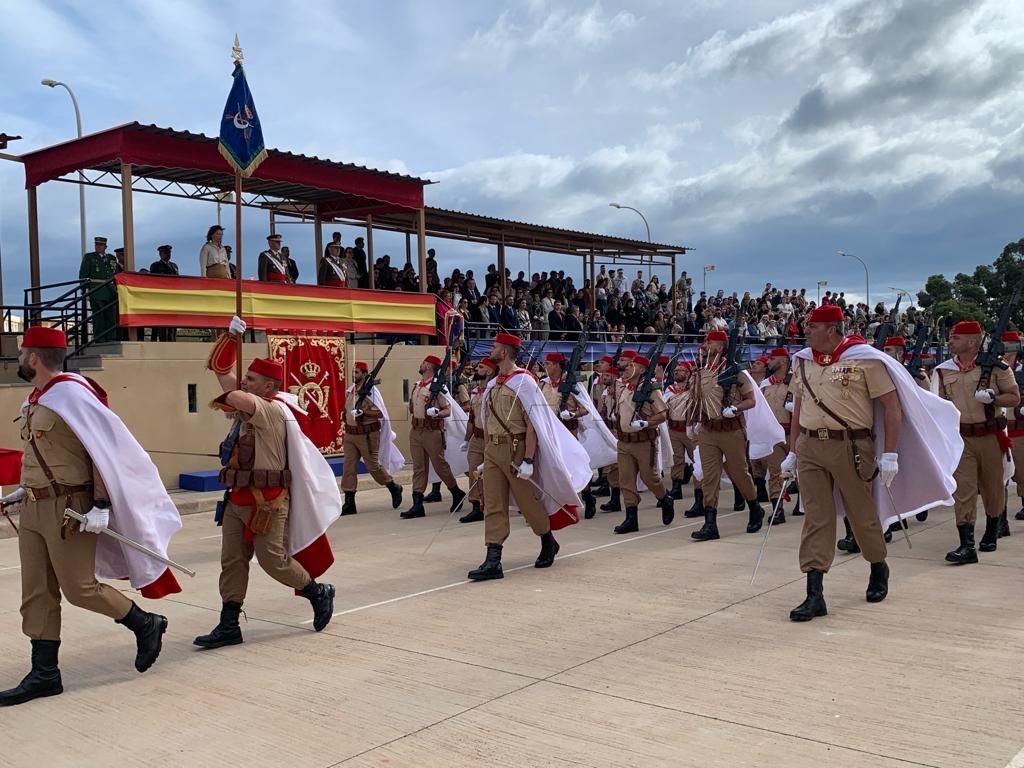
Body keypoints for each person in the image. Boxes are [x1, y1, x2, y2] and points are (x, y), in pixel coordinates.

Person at [0, 327, 181, 705]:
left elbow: (102, 452)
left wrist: (101, 505)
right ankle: (44, 674)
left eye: (22, 354)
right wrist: (23, 490)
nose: (19, 360)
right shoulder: (38, 399)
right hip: (35, 507)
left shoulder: (71, 394)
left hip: (70, 509)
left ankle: (145, 623)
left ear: (33, 358)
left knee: (79, 588)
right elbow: (45, 454)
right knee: (36, 591)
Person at [785, 303, 961, 621]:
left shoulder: (865, 359)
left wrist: (890, 454)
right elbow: (799, 406)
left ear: (831, 329)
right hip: (810, 445)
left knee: (862, 513)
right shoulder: (803, 362)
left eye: (812, 327)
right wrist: (793, 451)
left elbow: (891, 408)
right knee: (816, 517)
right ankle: (814, 593)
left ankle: (878, 565)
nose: (806, 332)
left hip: (851, 445)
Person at [196, 316, 339, 647]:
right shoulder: (251, 406)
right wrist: (231, 339)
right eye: (245, 377)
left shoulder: (272, 410)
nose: (244, 382)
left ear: (269, 388)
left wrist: (235, 382)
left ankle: (317, 591)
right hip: (238, 496)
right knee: (232, 561)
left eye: (251, 378)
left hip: (269, 499)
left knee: (274, 561)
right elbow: (220, 373)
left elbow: (232, 395)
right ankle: (229, 623)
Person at [467, 333, 590, 581]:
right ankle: (493, 559)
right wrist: (486, 453)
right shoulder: (493, 384)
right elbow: (489, 420)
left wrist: (529, 460)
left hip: (516, 449)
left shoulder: (525, 382)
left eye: (495, 346)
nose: (491, 348)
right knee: (493, 503)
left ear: (505, 351)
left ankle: (547, 539)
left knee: (527, 502)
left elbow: (533, 424)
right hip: (494, 450)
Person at [932, 321, 1020, 563]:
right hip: (961, 439)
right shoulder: (943, 371)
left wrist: (994, 397)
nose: (950, 342)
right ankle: (966, 545)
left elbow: (1014, 397)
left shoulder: (996, 367)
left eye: (956, 338)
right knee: (964, 490)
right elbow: (938, 405)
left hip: (991, 436)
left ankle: (992, 531)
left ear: (972, 342)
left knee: (993, 487)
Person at [608, 354, 674, 534]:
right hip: (624, 441)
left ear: (643, 370)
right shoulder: (621, 386)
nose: (627, 368)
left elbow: (663, 414)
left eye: (632, 365)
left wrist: (647, 422)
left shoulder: (651, 389)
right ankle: (631, 518)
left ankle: (664, 498)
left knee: (649, 477)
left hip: (644, 441)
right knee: (626, 480)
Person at [539, 352, 603, 519]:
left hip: (568, 431)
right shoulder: (542, 384)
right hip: (549, 432)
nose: (545, 367)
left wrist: (572, 414)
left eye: (548, 363)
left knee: (573, 466)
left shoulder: (572, 384)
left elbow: (585, 408)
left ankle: (588, 496)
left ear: (558, 365)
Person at [401, 354, 466, 519]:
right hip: (416, 430)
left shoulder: (438, 388)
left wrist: (437, 413)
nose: (421, 365)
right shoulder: (417, 386)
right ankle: (417, 504)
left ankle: (456, 492)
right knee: (419, 467)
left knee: (440, 465)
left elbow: (448, 410)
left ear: (429, 366)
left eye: (424, 363)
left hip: (432, 431)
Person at [342, 362, 405, 516]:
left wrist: (363, 412)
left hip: (367, 435)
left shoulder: (371, 392)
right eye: (352, 372)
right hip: (351, 434)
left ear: (364, 373)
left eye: (356, 372)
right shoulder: (351, 391)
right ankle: (349, 502)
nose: (353, 375)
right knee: (348, 467)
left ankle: (393, 486)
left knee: (373, 466)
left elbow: (379, 414)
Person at [754, 347, 793, 522]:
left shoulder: (795, 381)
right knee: (776, 472)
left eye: (772, 358)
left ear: (783, 361)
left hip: (795, 434)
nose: (768, 362)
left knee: (804, 472)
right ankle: (778, 508)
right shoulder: (765, 384)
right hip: (774, 434)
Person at [459, 358, 497, 523]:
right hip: (477, 437)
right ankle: (476, 506)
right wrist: (467, 440)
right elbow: (471, 418)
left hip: (493, 438)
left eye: (480, 367)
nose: (476, 369)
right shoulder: (475, 392)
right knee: (474, 470)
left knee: (495, 473)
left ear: (489, 370)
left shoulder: (495, 390)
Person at [79, 236, 122, 343]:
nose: (98, 246)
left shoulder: (111, 258)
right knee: (98, 316)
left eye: (101, 245)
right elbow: (83, 274)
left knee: (111, 315)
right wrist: (85, 288)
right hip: (97, 289)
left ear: (105, 246)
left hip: (110, 290)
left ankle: (111, 337)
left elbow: (116, 274)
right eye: (97, 244)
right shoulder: (90, 257)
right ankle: (100, 338)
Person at [664, 361, 695, 501]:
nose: (677, 372)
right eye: (676, 370)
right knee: (677, 458)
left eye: (681, 370)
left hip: (689, 429)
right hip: (674, 428)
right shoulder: (669, 389)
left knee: (696, 458)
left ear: (688, 373)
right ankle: (676, 487)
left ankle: (702, 485)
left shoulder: (693, 389)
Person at [149, 245, 180, 341]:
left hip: (173, 297)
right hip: (161, 297)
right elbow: (154, 281)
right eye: (165, 252)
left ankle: (172, 340)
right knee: (162, 322)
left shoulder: (174, 266)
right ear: (160, 254)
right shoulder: (155, 266)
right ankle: (163, 340)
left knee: (173, 321)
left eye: (169, 252)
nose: (168, 254)